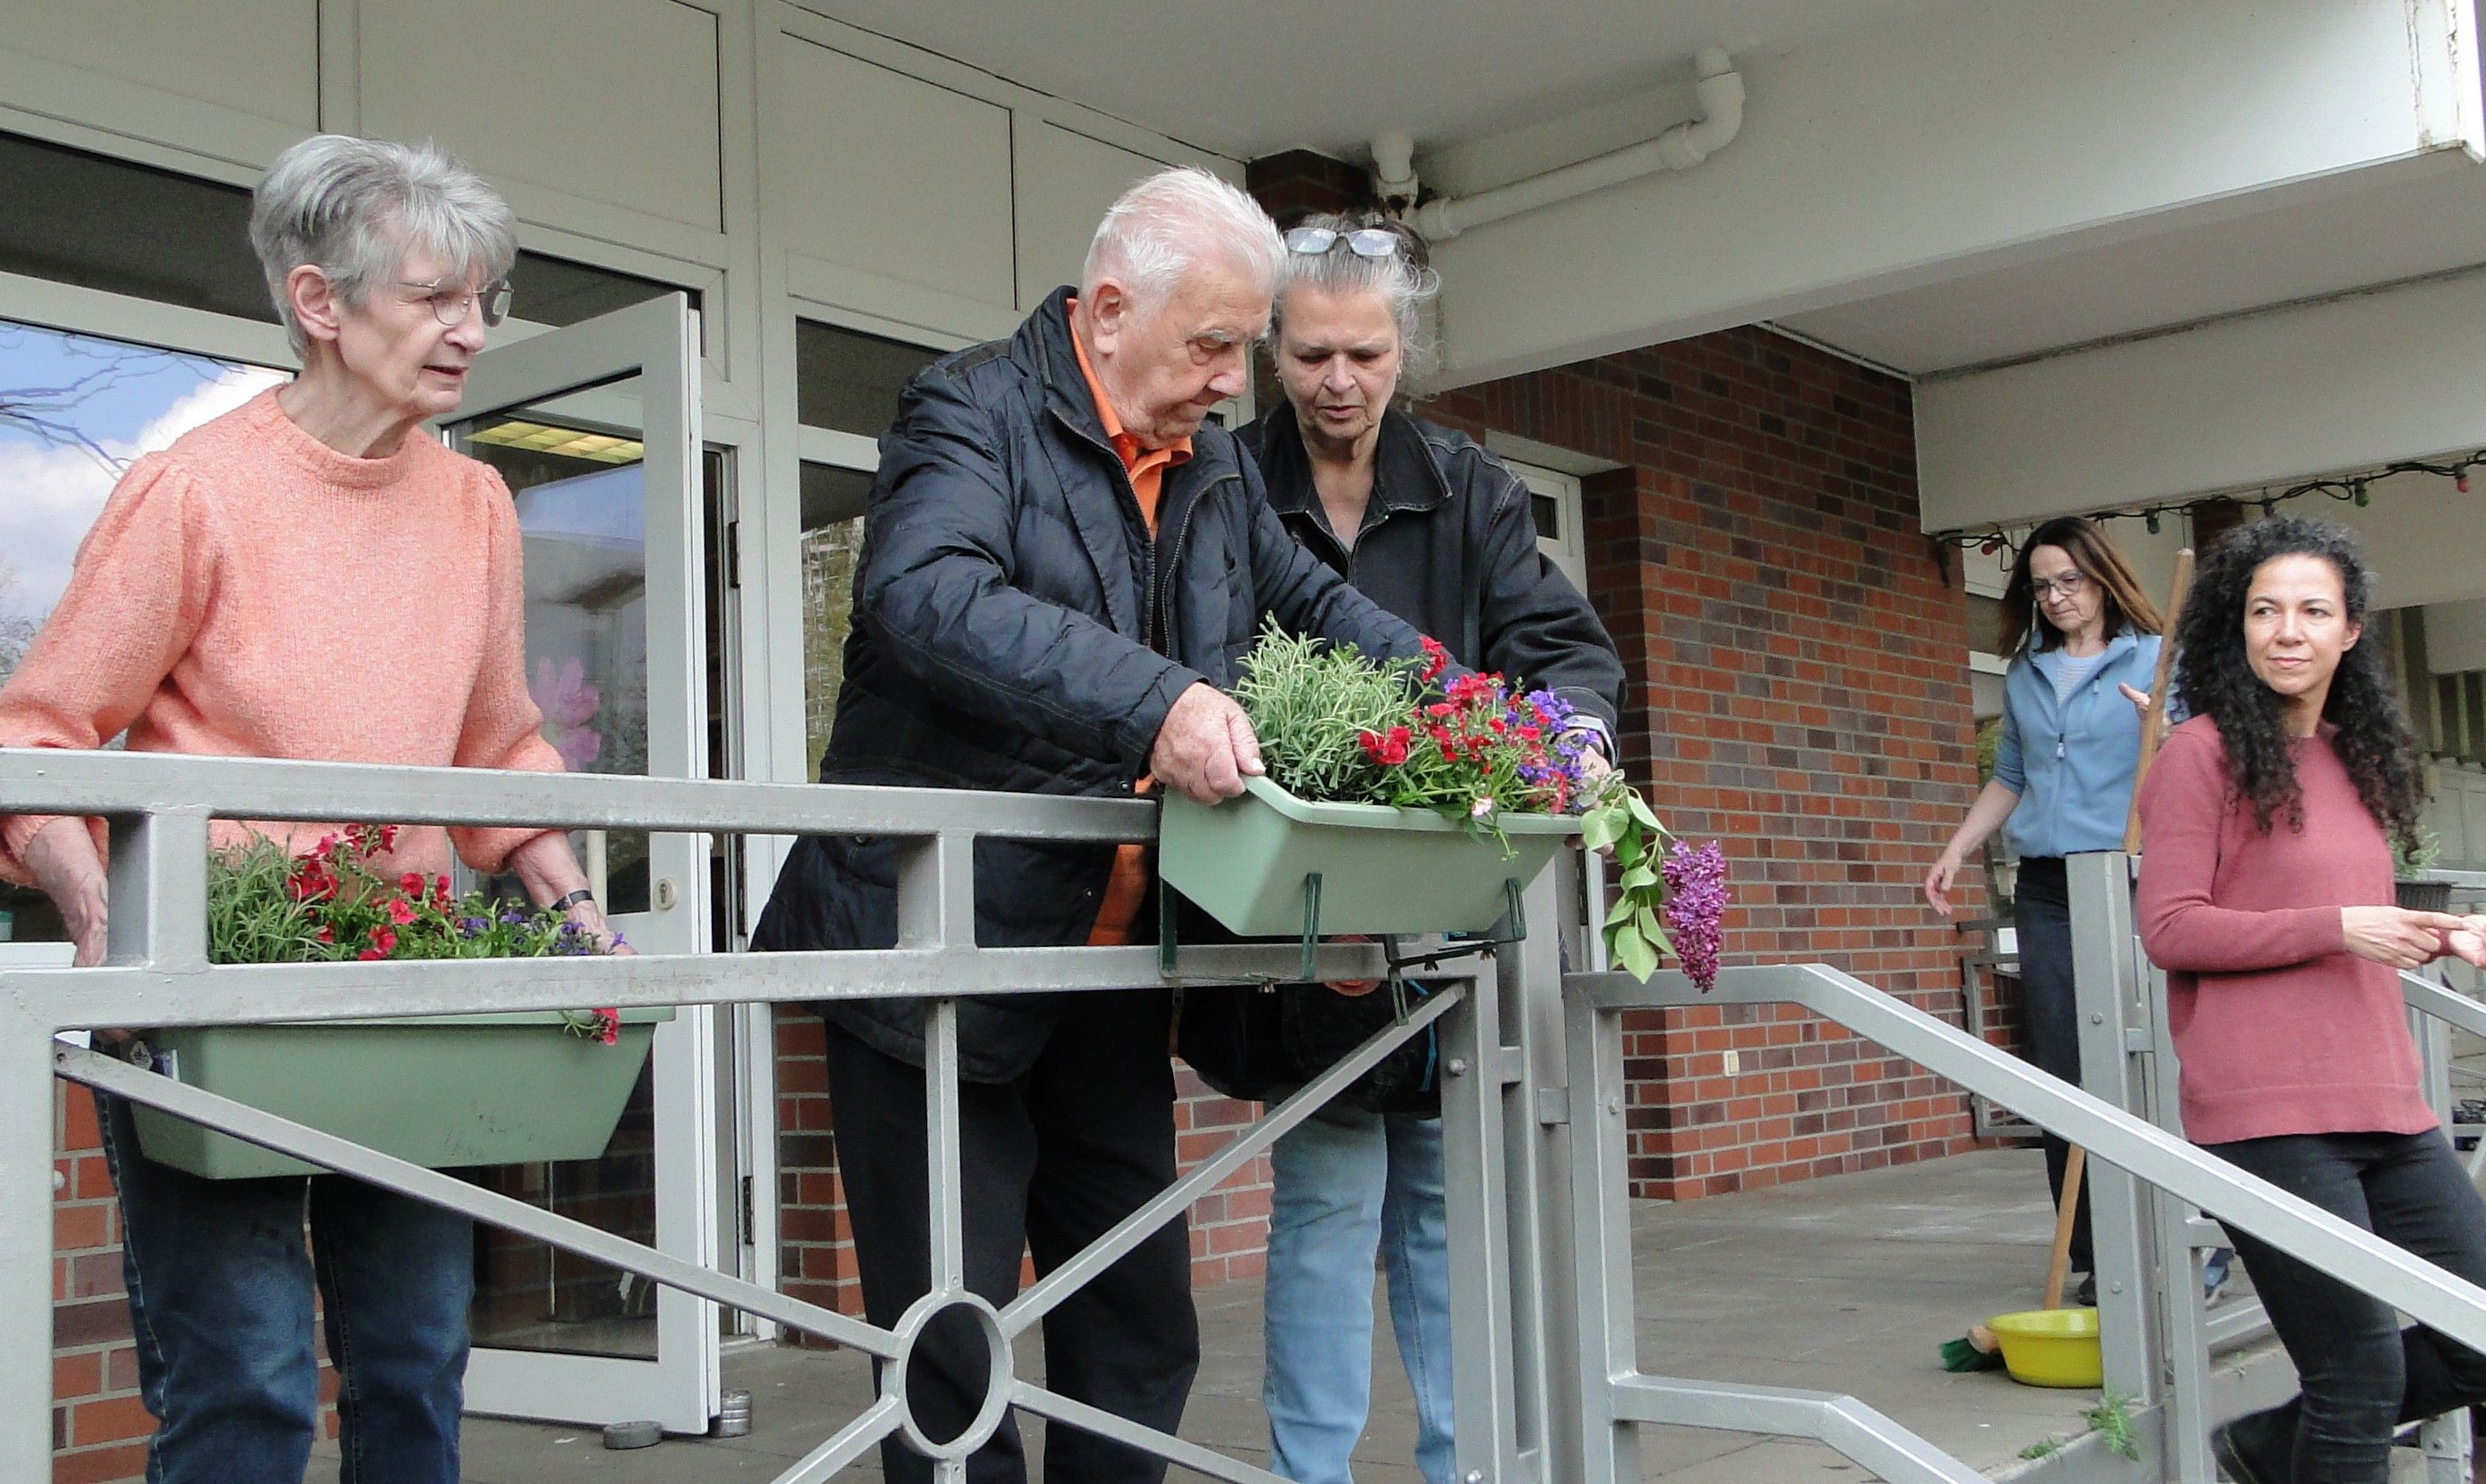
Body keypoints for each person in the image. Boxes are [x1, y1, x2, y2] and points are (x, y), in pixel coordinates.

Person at [750, 168, 1421, 1484]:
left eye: (1240, 349)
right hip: (932, 965)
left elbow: (1315, 607)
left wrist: (1471, 709)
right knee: (949, 1352)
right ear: (1109, 310)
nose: (1236, 381)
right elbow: (924, 595)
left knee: (1139, 1329)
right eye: (1215, 346)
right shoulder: (967, 407)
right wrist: (1160, 698)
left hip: (1103, 970)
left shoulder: (1213, 462)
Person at [0, 135, 624, 1484]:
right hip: (213, 1000)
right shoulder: (195, 492)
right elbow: (36, 734)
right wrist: (94, 899)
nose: (471, 330)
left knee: (413, 1362)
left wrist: (573, 907)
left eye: (486, 300)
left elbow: (496, 744)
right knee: (250, 1382)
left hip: (401, 995)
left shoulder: (473, 504)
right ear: (319, 303)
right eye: (436, 297)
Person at [1180, 213, 1623, 1484]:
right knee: (1324, 1196)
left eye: (1363, 355)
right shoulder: (1226, 476)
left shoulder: (1470, 486)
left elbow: (1564, 649)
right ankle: (1312, 1473)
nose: (1337, 382)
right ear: (1273, 349)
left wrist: (1575, 736)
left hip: (1441, 907)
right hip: (1297, 907)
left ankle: (1458, 1463)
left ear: (1403, 351)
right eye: (1311, 353)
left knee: (1439, 1201)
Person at [2134, 516, 2486, 1484]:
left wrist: (2460, 937)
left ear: (2350, 631)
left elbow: (2364, 917)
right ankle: (2275, 1450)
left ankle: (2260, 1449)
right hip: (2266, 1112)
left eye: (2312, 610)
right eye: (2264, 610)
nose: (2286, 630)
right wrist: (2337, 926)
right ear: (2235, 627)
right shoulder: (2198, 756)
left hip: (2384, 1099)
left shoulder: (2354, 759)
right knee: (2357, 1371)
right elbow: (2169, 928)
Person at [1922, 517, 2166, 1302]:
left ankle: (2175, 1235)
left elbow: (2208, 761)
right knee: (2063, 1067)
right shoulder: (2026, 673)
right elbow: (2013, 776)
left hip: (2130, 878)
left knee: (2145, 1060)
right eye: (2042, 586)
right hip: (2047, 888)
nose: (2058, 598)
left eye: (2071, 580)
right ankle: (2093, 1252)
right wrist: (1958, 848)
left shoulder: (2158, 661)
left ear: (2104, 579)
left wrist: (2157, 729)